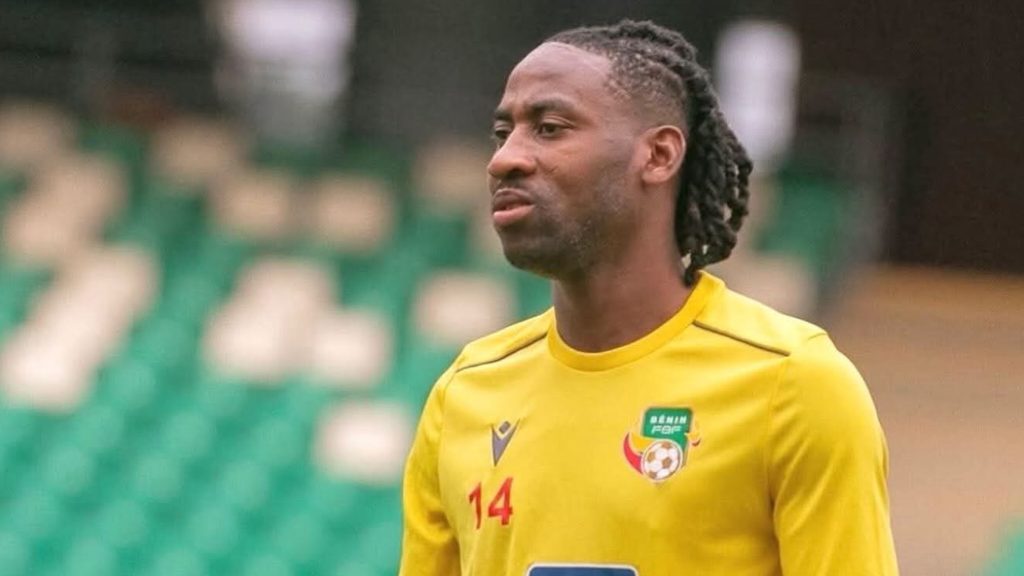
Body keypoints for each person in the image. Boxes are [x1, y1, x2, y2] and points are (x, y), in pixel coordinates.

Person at [399, 19, 898, 576]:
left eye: (549, 128)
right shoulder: (464, 393)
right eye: (502, 133)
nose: (504, 159)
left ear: (659, 155)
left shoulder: (793, 385)